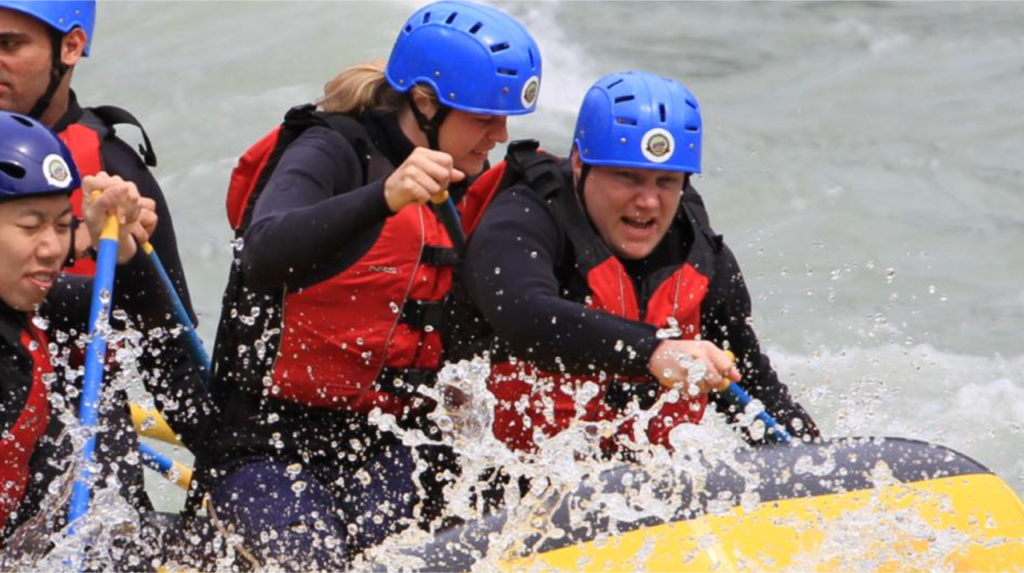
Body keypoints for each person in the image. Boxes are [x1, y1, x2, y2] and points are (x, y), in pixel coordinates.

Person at [202, 1, 542, 568]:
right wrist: (383, 197)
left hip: (388, 442)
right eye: (485, 118)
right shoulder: (330, 150)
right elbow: (261, 252)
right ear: (426, 103)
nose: (500, 135)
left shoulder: (477, 181)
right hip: (264, 443)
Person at [448, 71, 819, 456]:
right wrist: (653, 353)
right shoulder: (520, 221)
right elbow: (524, 315)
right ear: (579, 162)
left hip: (636, 495)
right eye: (627, 178)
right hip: (495, 484)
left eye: (666, 181)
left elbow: (756, 389)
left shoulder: (706, 261)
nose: (648, 202)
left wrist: (814, 464)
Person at [0, 0, 212, 502]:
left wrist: (223, 462)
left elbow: (163, 337)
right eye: (32, 225)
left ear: (70, 47)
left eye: (9, 45)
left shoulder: (116, 169)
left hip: (83, 400)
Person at [0, 111, 170, 566]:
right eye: (30, 226)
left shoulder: (27, 302)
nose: (53, 249)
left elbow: (142, 314)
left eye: (61, 225)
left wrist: (118, 244)